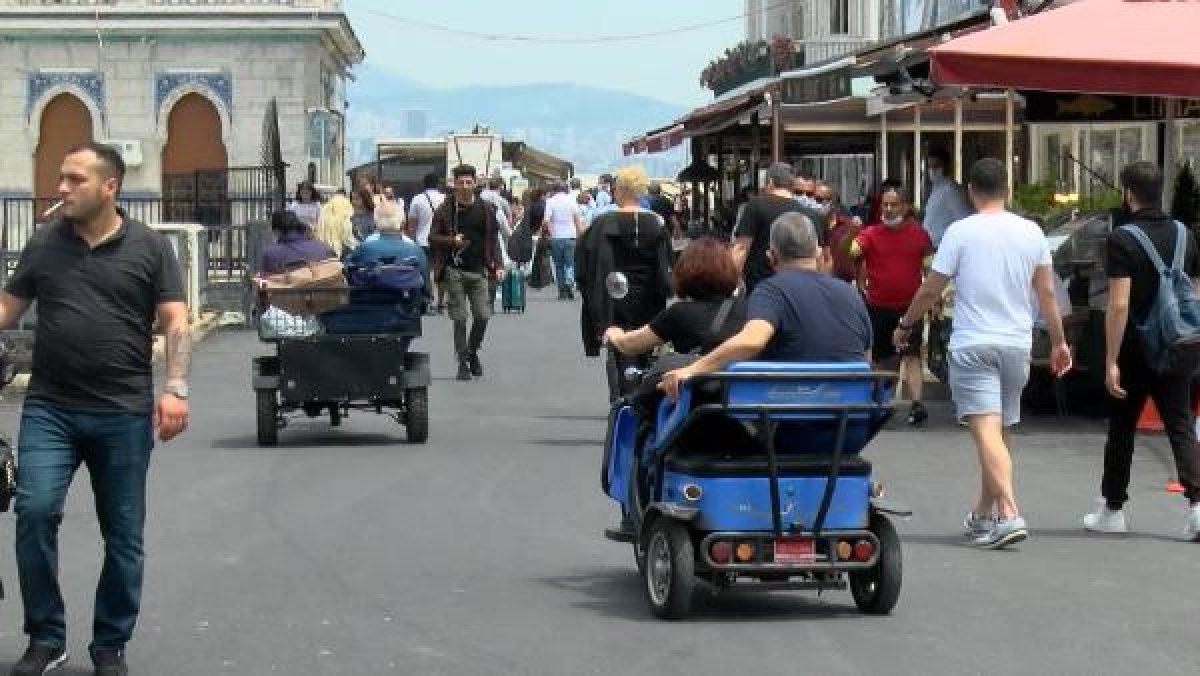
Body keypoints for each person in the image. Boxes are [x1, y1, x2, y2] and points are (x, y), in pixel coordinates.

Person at [0, 142, 190, 676]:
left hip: (122, 412)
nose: (62, 188)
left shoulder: (149, 247)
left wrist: (174, 387)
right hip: (50, 409)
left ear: (110, 187)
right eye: (62, 178)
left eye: (75, 179)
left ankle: (110, 644)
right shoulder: (44, 243)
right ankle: (46, 636)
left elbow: (175, 320)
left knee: (123, 535)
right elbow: (7, 309)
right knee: (33, 513)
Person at [893, 158, 1071, 550]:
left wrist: (907, 324)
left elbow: (931, 289)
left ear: (971, 191)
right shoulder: (1032, 232)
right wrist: (1059, 342)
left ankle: (1008, 512)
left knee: (987, 432)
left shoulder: (960, 232)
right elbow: (1045, 293)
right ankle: (981, 515)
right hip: (1017, 344)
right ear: (1007, 188)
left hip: (974, 343)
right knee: (1000, 431)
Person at [1083, 161, 1200, 540]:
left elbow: (1119, 303)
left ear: (1127, 192)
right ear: (1160, 190)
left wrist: (1111, 360)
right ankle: (1198, 507)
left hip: (1135, 347)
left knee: (1122, 429)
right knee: (1180, 426)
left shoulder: (1122, 239)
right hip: (1179, 344)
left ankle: (1113, 509)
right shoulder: (1186, 234)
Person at [660, 211, 871, 401]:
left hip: (790, 422)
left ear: (771, 257)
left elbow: (751, 341)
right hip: (853, 420)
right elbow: (865, 356)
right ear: (818, 253)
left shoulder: (771, 291)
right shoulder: (850, 294)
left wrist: (692, 369)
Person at [576, 165, 673, 401]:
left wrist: (591, 296)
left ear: (618, 190)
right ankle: (644, 397)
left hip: (613, 299)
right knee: (646, 349)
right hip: (649, 299)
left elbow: (583, 264)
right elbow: (665, 266)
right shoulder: (656, 224)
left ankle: (621, 400)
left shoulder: (601, 224)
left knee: (618, 349)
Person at [850, 184, 934, 425]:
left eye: (893, 204)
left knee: (912, 355)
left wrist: (933, 298)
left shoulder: (919, 234)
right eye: (884, 205)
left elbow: (929, 267)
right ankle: (880, 403)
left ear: (905, 206)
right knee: (881, 358)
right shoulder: (870, 233)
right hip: (878, 305)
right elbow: (853, 250)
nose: (888, 209)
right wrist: (851, 234)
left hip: (911, 306)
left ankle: (917, 404)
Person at [430, 164, 502, 381]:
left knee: (482, 315)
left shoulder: (487, 209)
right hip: (455, 271)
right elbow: (432, 238)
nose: (464, 186)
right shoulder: (445, 210)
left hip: (479, 270)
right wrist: (452, 241)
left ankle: (472, 351)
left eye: (468, 182)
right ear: (454, 184)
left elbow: (493, 239)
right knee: (460, 318)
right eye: (460, 182)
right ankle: (462, 361)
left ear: (475, 183)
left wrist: (497, 265)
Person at [733, 162, 826, 294]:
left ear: (770, 182)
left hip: (762, 289)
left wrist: (731, 281)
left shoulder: (756, 206)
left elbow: (741, 248)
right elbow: (821, 257)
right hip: (802, 291)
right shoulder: (812, 215)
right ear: (791, 185)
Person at [408, 173, 447, 314]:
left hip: (422, 241)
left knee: (425, 271)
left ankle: (429, 300)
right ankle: (441, 301)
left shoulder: (417, 200)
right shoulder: (445, 199)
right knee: (441, 270)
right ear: (438, 184)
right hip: (441, 240)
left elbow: (412, 224)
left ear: (424, 184)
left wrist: (411, 243)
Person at [921, 148, 973, 248]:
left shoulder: (951, 190)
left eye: (936, 166)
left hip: (943, 247)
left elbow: (963, 219)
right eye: (930, 166)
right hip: (931, 247)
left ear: (946, 166)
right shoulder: (935, 188)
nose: (932, 170)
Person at [260, 210, 337, 275]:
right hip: (323, 291)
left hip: (287, 292)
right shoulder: (324, 248)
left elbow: (266, 282)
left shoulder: (270, 253)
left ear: (277, 231)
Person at [542, 181, 584, 300]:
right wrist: (581, 234)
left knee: (559, 265)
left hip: (556, 237)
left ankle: (562, 291)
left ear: (554, 190)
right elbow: (577, 220)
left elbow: (546, 221)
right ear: (566, 190)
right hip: (571, 236)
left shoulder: (550, 201)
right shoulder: (571, 200)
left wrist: (549, 231)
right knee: (570, 263)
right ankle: (569, 284)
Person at [313, 191, 357, 258]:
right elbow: (350, 240)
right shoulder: (345, 220)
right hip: (343, 253)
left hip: (325, 252)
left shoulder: (324, 214)